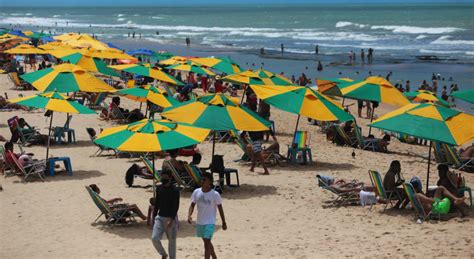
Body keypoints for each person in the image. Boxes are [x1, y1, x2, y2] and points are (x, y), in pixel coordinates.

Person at [187, 173, 227, 259]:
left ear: (210, 182)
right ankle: (215, 257)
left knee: (207, 243)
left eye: (204, 179)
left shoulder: (215, 194)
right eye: (202, 179)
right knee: (206, 242)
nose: (202, 181)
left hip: (210, 222)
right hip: (200, 221)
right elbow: (192, 205)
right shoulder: (196, 192)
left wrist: (224, 222)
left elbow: (220, 208)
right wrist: (189, 215)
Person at [151, 170, 180, 259]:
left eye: (165, 177)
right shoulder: (159, 188)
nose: (163, 178)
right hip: (160, 217)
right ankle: (163, 254)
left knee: (172, 242)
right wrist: (153, 217)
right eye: (162, 177)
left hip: (170, 218)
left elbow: (176, 206)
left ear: (170, 178)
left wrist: (171, 219)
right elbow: (157, 204)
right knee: (154, 238)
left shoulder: (175, 190)